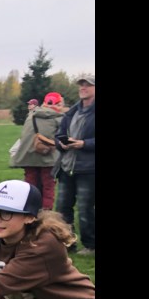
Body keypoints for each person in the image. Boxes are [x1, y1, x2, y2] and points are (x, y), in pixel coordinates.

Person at [54, 74, 96, 256]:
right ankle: (66, 243)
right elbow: (58, 135)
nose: (83, 88)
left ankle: (91, 245)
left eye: (88, 85)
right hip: (66, 166)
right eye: (81, 85)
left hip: (88, 168)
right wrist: (61, 143)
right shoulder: (71, 112)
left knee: (86, 209)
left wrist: (84, 144)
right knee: (62, 208)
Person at [9, 92, 64, 210]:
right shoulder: (59, 118)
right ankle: (46, 214)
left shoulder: (31, 115)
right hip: (48, 157)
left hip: (28, 156)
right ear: (58, 104)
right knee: (48, 186)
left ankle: (30, 211)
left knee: (30, 186)